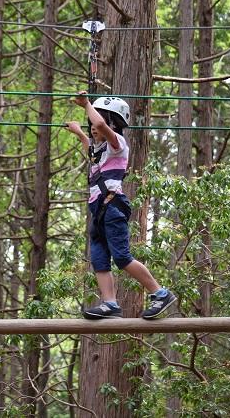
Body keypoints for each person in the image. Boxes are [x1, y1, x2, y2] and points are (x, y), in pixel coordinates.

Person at [66, 91, 175, 319]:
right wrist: (79, 132)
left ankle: (160, 293)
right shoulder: (99, 151)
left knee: (122, 257)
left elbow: (100, 124)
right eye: (91, 124)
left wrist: (87, 105)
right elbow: (89, 147)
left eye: (100, 122)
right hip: (98, 212)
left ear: (113, 124)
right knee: (99, 261)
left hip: (112, 208)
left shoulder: (118, 144)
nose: (93, 127)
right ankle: (110, 304)